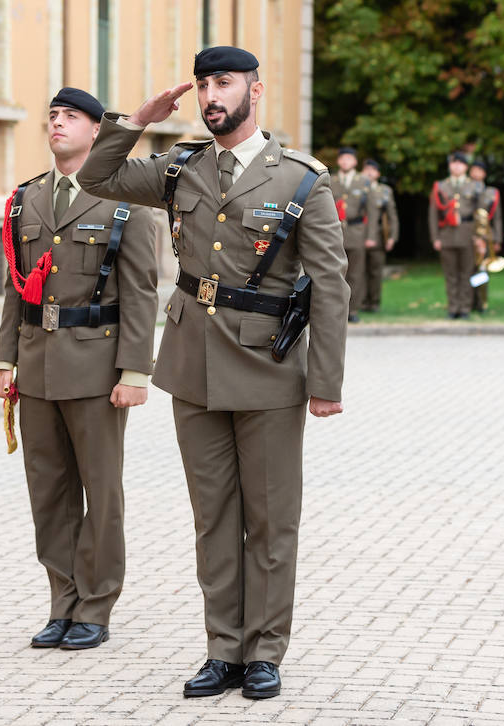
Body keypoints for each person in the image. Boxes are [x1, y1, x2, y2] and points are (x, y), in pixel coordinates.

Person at [77, 46, 348, 700]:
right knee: (213, 518)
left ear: (256, 87)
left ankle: (265, 651)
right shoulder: (181, 167)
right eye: (203, 84)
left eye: (223, 82)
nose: (210, 94)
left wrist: (325, 383)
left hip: (268, 368)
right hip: (192, 367)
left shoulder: (300, 179)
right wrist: (138, 117)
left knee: (271, 519)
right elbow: (96, 177)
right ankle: (223, 649)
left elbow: (331, 285)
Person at [0, 88, 159, 650]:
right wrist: (5, 358)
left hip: (96, 365)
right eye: (53, 116)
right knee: (49, 491)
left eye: (72, 117)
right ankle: (61, 602)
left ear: (96, 132)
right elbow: (16, 286)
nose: (58, 123)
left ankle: (95, 605)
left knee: (100, 491)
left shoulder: (126, 204)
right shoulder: (25, 199)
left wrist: (134, 373)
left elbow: (140, 293)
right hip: (36, 364)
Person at [329, 147, 379, 322]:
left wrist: (371, 236)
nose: (345, 162)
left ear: (355, 162)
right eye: (342, 159)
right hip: (335, 232)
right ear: (338, 161)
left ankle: (353, 309)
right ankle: (336, 310)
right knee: (334, 273)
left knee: (356, 273)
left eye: (349, 159)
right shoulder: (330, 180)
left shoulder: (364, 182)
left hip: (357, 232)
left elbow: (372, 212)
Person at [429, 153, 481, 319]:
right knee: (450, 274)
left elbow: (480, 214)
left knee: (467, 273)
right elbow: (433, 214)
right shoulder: (441, 186)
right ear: (450, 166)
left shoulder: (474, 186)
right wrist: (436, 237)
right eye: (454, 163)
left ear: (466, 167)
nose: (457, 166)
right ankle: (453, 307)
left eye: (461, 163)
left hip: (468, 233)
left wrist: (479, 237)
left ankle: (465, 307)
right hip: (447, 234)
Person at [360, 158, 398, 312]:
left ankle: (374, 302)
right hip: (357, 236)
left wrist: (392, 237)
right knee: (358, 272)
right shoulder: (355, 188)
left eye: (373, 170)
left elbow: (392, 215)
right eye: (366, 169)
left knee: (375, 272)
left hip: (378, 236)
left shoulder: (385, 191)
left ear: (378, 173)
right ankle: (359, 302)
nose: (369, 172)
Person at [467, 160, 502, 313]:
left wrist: (497, 239)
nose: (475, 173)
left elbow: (497, 218)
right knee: (467, 269)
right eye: (473, 170)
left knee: (482, 269)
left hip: (486, 237)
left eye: (479, 170)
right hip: (468, 236)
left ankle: (481, 302)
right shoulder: (464, 190)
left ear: (484, 174)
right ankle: (468, 301)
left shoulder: (491, 193)